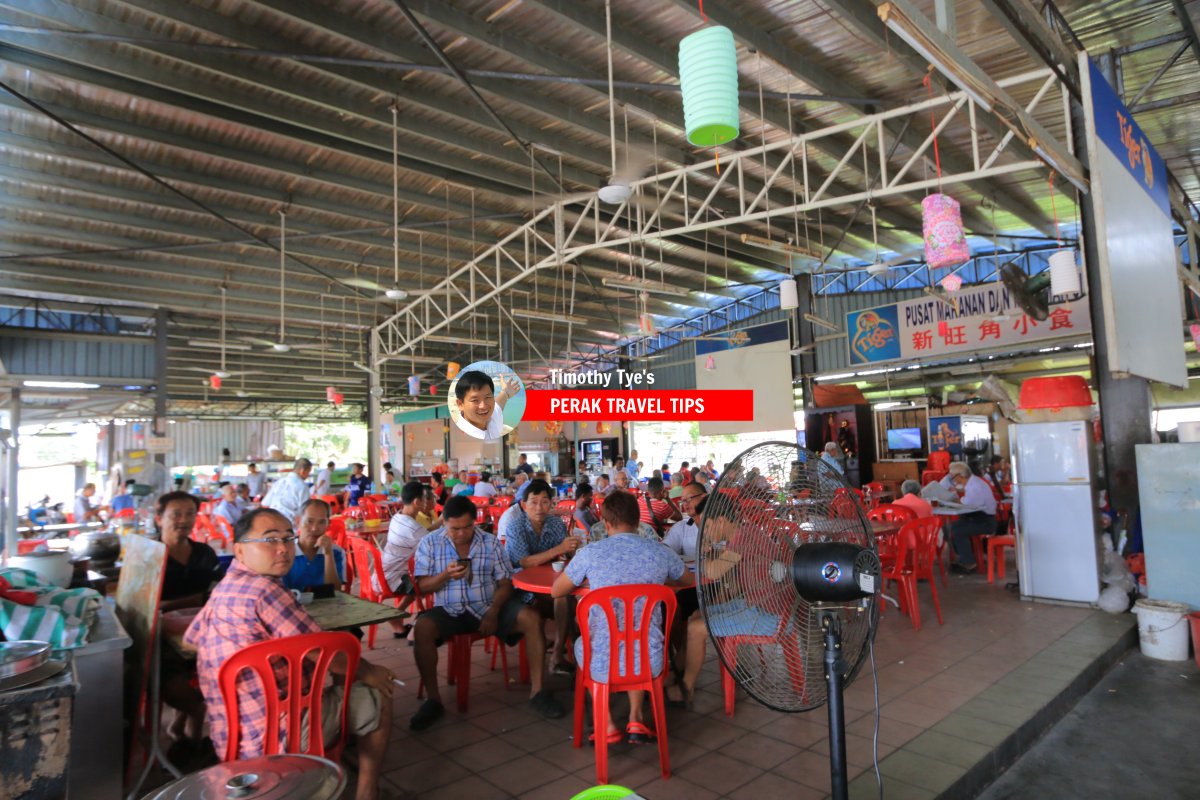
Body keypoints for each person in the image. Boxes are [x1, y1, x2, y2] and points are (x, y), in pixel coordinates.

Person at [184, 508, 394, 800]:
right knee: (379, 696)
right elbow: (329, 657)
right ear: (240, 550)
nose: (283, 548)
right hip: (281, 731)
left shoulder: (225, 587)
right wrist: (371, 672)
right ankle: (367, 792)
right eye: (270, 540)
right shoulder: (265, 591)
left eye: (287, 538)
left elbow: (191, 639)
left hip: (232, 730)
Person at [409, 496, 563, 730]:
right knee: (422, 628)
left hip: (488, 605)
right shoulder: (430, 543)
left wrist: (494, 611)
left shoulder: (490, 543)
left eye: (467, 527)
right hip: (450, 610)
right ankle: (433, 700)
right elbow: (421, 586)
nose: (461, 533)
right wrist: (445, 576)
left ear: (475, 522)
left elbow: (505, 583)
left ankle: (538, 692)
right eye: (455, 529)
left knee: (531, 618)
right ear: (444, 523)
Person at [551, 491, 691, 743]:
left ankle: (607, 724)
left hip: (601, 660)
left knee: (588, 643)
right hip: (650, 658)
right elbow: (687, 579)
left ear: (604, 523)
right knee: (637, 636)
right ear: (638, 522)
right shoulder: (660, 552)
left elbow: (556, 590)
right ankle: (636, 717)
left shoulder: (590, 554)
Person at [156, 491, 223, 741]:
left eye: (190, 514)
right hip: (162, 639)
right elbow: (143, 605)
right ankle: (194, 726)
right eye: (176, 514)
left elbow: (220, 590)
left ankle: (188, 731)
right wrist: (190, 601)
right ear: (159, 518)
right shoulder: (149, 556)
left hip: (205, 635)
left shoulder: (205, 553)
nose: (183, 520)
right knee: (171, 682)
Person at [505, 479, 582, 672]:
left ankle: (557, 654)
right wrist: (560, 548)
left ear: (551, 503)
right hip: (522, 590)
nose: (539, 507)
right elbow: (524, 561)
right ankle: (570, 650)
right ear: (524, 505)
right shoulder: (515, 526)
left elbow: (567, 553)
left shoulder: (555, 524)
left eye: (545, 501)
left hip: (549, 586)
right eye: (533, 502)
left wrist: (576, 548)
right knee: (567, 600)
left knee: (568, 598)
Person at [382, 482, 431, 635]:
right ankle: (419, 623)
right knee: (431, 581)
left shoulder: (398, 517)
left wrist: (442, 522)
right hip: (395, 577)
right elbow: (433, 545)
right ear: (417, 502)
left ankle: (397, 614)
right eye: (425, 498)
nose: (427, 502)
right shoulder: (414, 528)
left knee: (423, 577)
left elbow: (425, 535)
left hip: (385, 572)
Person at [946, 462, 997, 573]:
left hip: (986, 521)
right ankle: (966, 557)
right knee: (953, 527)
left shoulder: (975, 486)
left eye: (953, 477)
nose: (953, 480)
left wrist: (952, 500)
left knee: (957, 530)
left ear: (960, 476)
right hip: (980, 517)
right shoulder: (973, 482)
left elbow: (968, 503)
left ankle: (968, 562)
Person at [283, 499, 345, 591]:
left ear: (328, 524)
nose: (314, 528)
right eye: (309, 521)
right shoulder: (284, 551)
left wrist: (328, 554)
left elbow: (335, 591)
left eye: (322, 522)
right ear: (298, 521)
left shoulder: (337, 552)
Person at [452, 369, 519, 441]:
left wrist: (506, 392)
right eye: (475, 400)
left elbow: (498, 404)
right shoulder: (461, 436)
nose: (483, 406)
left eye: (487, 397)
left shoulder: (492, 416)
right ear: (460, 404)